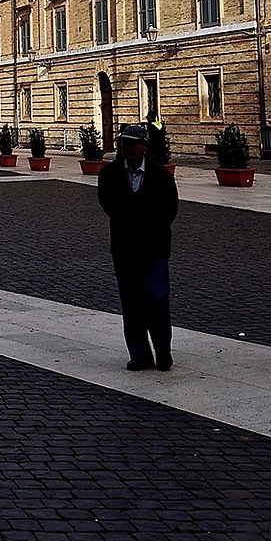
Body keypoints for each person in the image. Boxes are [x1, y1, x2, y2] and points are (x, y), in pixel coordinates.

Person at [98, 124, 179, 370]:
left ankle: (163, 351)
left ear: (144, 146)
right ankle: (140, 354)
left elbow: (170, 209)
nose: (127, 148)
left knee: (156, 299)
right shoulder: (109, 174)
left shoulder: (160, 175)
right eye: (124, 143)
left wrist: (151, 229)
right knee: (131, 302)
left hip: (154, 248)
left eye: (133, 144)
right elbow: (108, 204)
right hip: (124, 248)